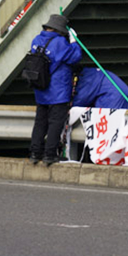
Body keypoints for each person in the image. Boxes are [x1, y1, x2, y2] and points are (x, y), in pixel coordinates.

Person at [29, 14, 82, 166]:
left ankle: (34, 153)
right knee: (55, 123)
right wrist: (74, 41)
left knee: (40, 123)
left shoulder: (36, 40)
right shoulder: (59, 42)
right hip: (57, 92)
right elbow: (75, 57)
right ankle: (50, 155)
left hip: (40, 89)